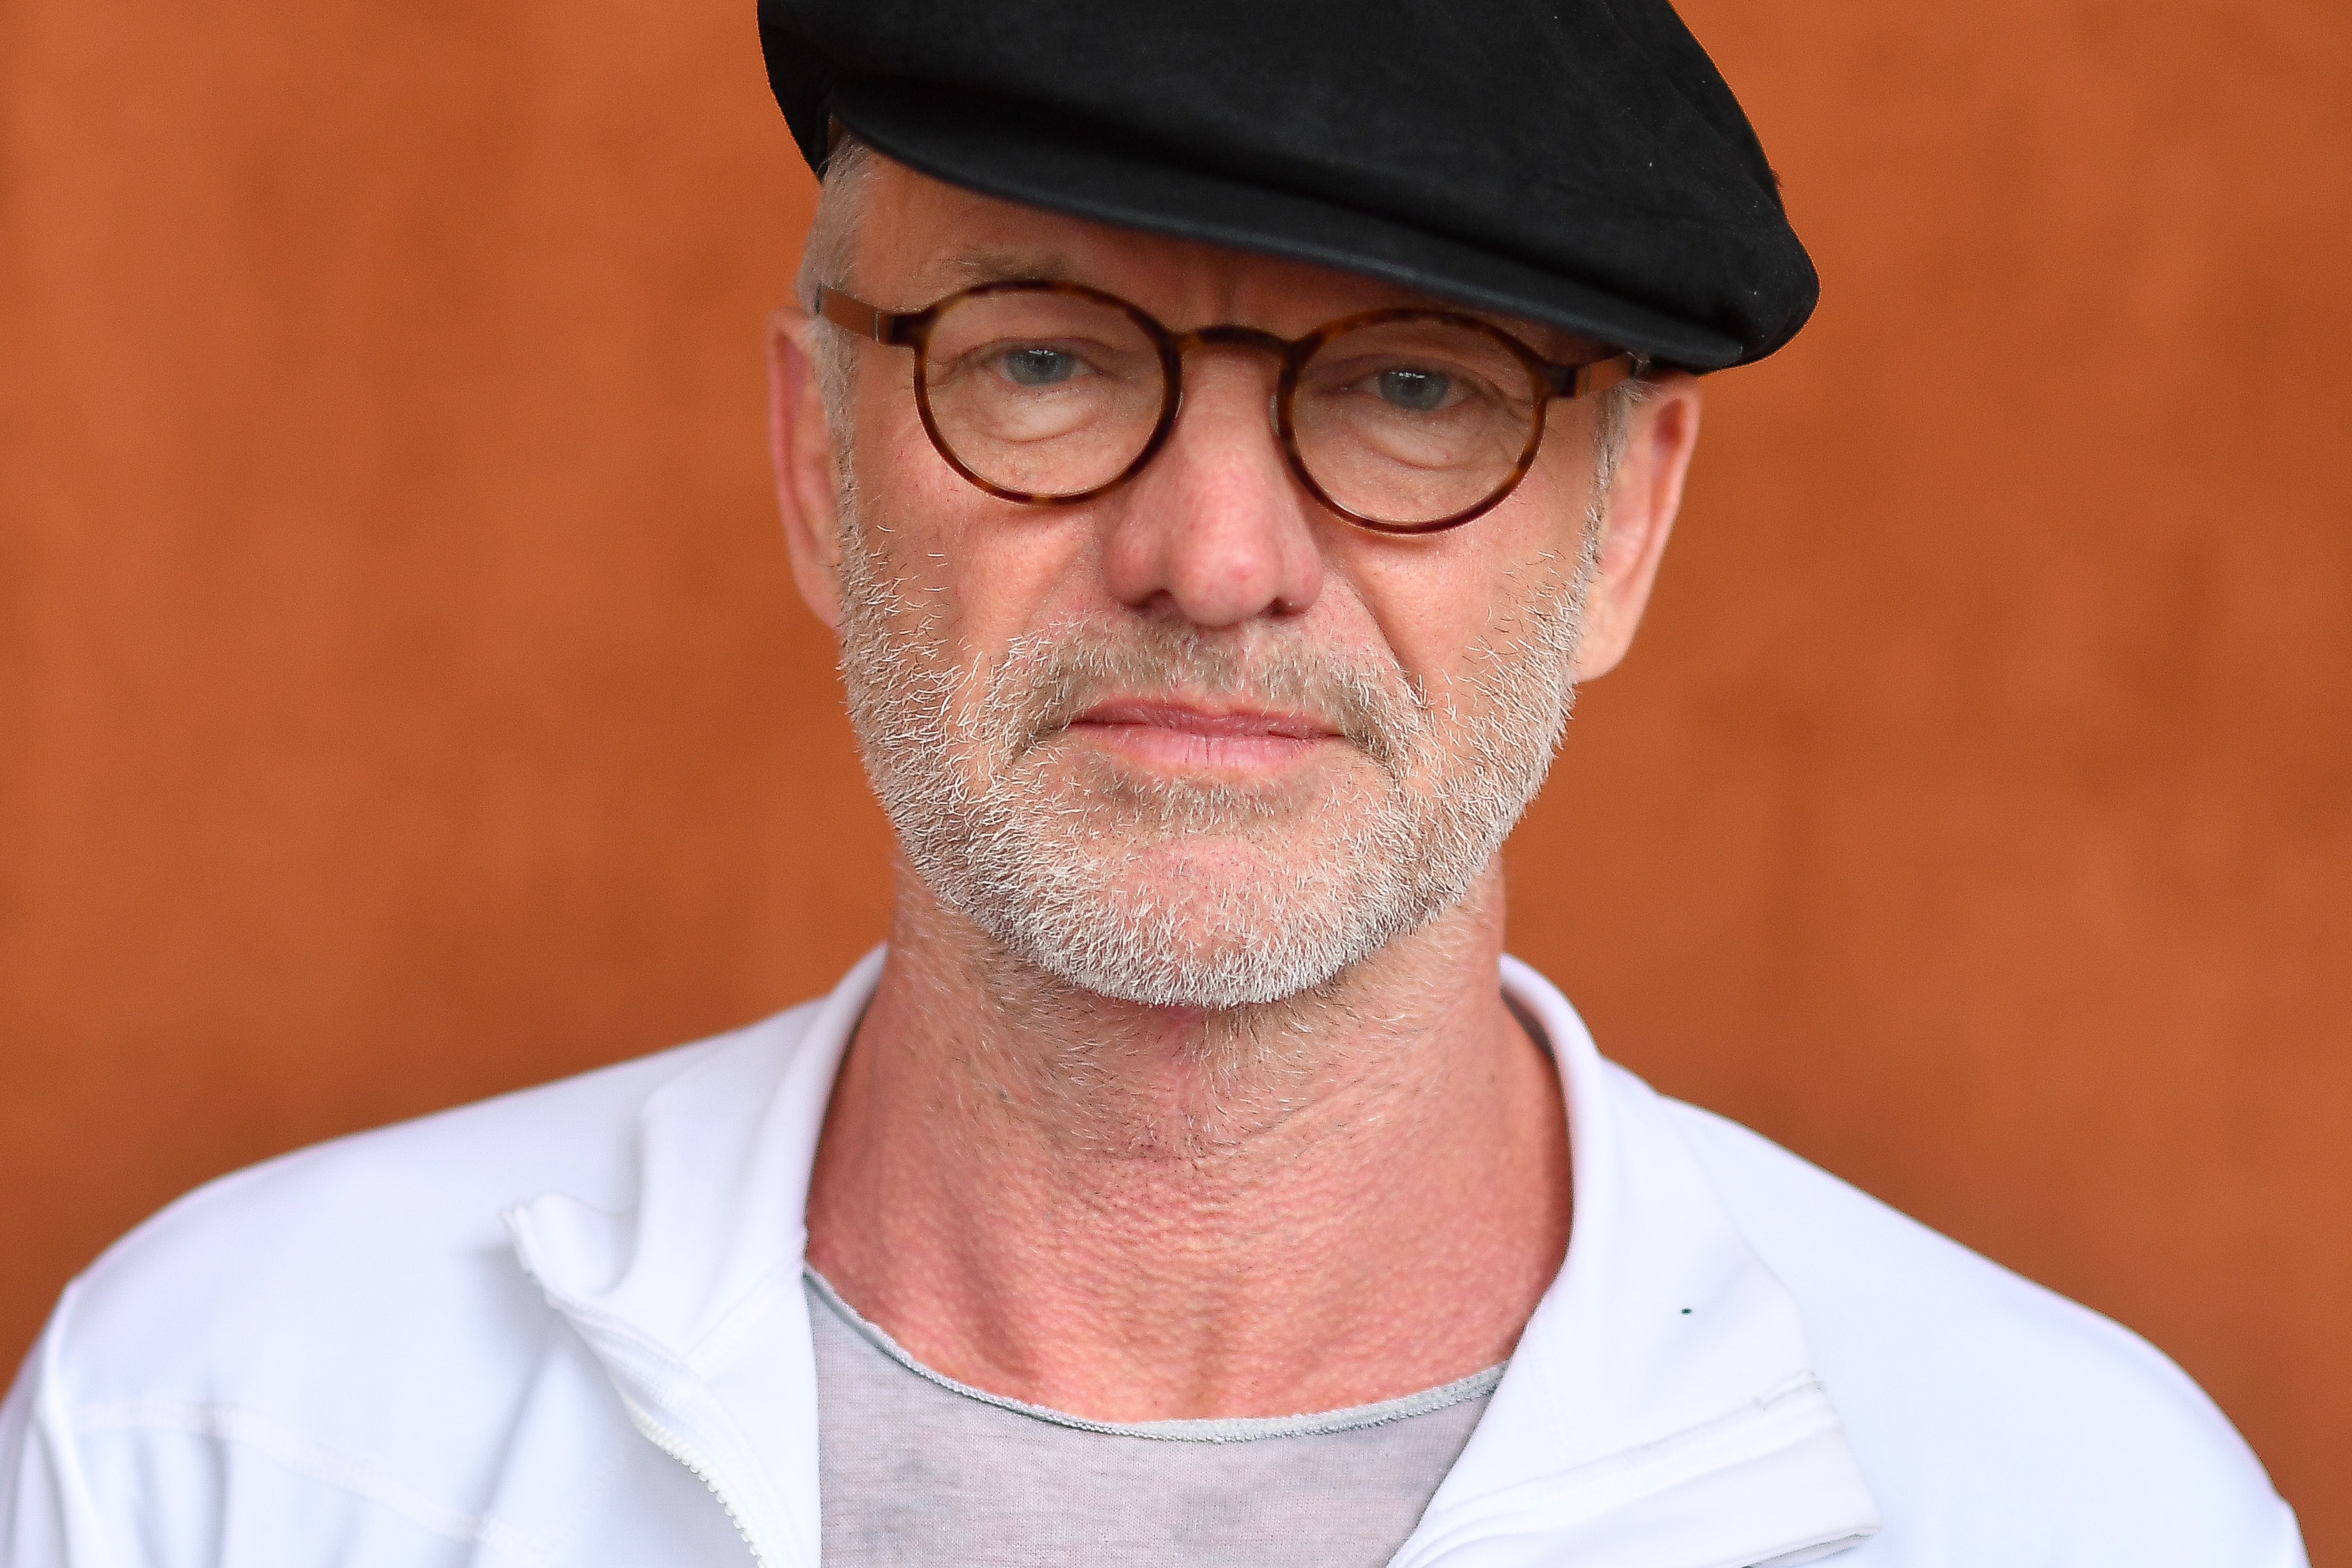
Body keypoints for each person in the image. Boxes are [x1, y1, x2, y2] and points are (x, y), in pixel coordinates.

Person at [0, 1, 2309, 1564]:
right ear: (821, 462)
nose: (1213, 561)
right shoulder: (219, 1432)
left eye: (1412, 392)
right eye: (1039, 357)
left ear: (1625, 527)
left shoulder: (2074, 1509)